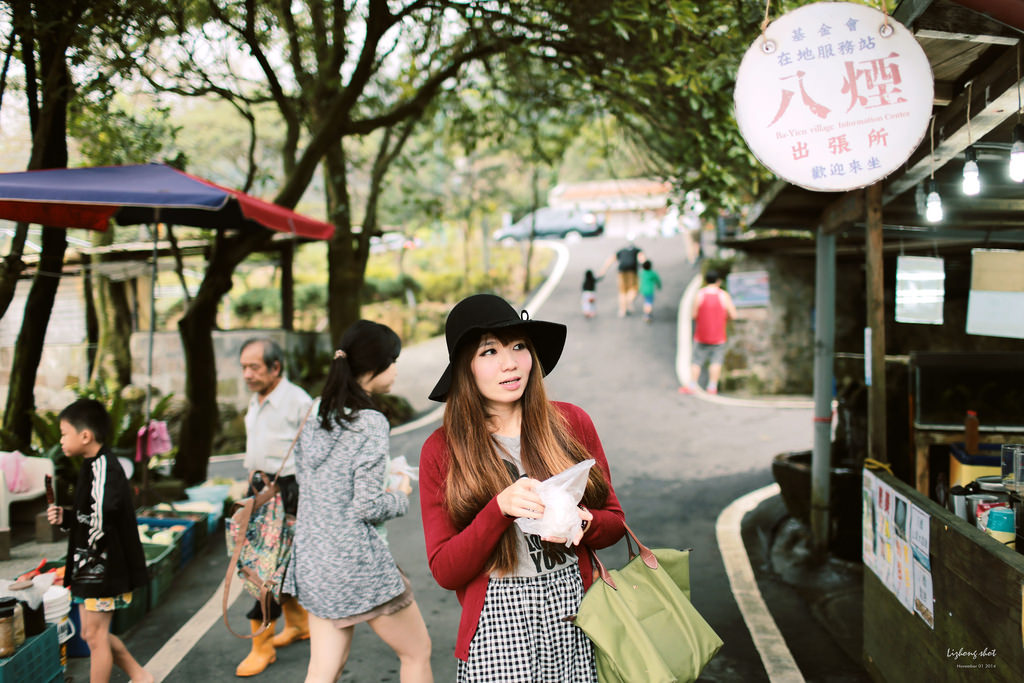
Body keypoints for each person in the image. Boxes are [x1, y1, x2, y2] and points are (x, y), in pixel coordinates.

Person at [419, 293, 626, 681]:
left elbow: (614, 522)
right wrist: (498, 510)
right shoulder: (442, 449)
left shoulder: (570, 422)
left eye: (518, 346)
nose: (510, 363)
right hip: (498, 623)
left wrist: (581, 524)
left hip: (576, 612)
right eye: (489, 352)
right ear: (466, 367)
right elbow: (445, 570)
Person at [284, 320, 433, 683]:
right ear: (372, 367)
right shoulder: (369, 423)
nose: (396, 368)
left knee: (323, 668)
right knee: (417, 653)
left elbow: (311, 484)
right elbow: (366, 506)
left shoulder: (314, 413)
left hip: (316, 564)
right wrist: (399, 494)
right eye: (392, 360)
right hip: (356, 565)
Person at [47, 398, 153, 683]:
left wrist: (85, 548)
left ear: (85, 436)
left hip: (101, 568)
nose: (61, 440)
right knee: (92, 634)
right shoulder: (92, 464)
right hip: (89, 568)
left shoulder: (104, 466)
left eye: (64, 433)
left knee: (94, 636)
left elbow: (103, 518)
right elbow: (89, 514)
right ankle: (140, 675)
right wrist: (67, 517)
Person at [236, 337, 314, 676]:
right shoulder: (256, 399)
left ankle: (261, 645)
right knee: (276, 565)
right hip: (260, 489)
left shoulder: (298, 401)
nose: (247, 374)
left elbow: (314, 452)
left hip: (289, 491)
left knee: (265, 570)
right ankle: (298, 622)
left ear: (275, 368)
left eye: (254, 367)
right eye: (243, 368)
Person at [681, 270, 737, 395]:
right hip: (718, 335)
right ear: (718, 281)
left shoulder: (700, 294)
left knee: (696, 360)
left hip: (701, 334)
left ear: (705, 281)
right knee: (716, 361)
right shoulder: (723, 295)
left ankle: (692, 385)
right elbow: (733, 314)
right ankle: (712, 387)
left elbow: (694, 314)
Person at [599, 235, 646, 317]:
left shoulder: (621, 251)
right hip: (632, 272)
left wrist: (603, 271)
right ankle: (628, 302)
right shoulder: (637, 250)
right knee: (634, 289)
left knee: (622, 291)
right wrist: (646, 269)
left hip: (621, 272)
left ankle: (622, 310)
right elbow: (642, 259)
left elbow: (610, 260)